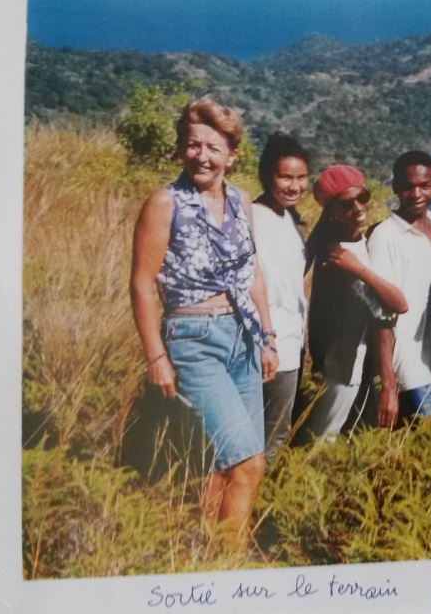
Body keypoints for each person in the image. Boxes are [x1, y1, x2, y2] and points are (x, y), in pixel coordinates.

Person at [129, 97, 278, 542]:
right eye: (194, 145)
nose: (202, 156)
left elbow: (251, 271)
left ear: (232, 155)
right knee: (249, 461)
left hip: (243, 337)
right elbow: (141, 284)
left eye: (214, 148)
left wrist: (267, 336)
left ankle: (205, 552)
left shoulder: (240, 200)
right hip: (193, 339)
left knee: (220, 464)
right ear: (181, 148)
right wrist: (156, 356)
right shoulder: (165, 203)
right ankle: (232, 558)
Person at [301, 165, 408, 440]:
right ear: (332, 212)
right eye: (347, 204)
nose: (359, 207)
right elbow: (399, 304)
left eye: (363, 197)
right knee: (325, 436)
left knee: (355, 433)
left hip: (359, 363)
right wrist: (358, 268)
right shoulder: (337, 254)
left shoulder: (359, 242)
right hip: (344, 362)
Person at [367, 151, 431, 428]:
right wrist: (389, 384)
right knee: (427, 437)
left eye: (424, 186)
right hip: (408, 367)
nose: (416, 194)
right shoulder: (385, 236)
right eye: (408, 186)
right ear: (395, 187)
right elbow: (380, 315)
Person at [250, 132, 309, 460]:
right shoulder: (255, 218)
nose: (295, 186)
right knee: (271, 434)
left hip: (290, 340)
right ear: (267, 176)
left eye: (301, 178)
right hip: (272, 344)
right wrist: (265, 341)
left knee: (271, 430)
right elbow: (251, 285)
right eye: (285, 177)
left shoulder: (286, 217)